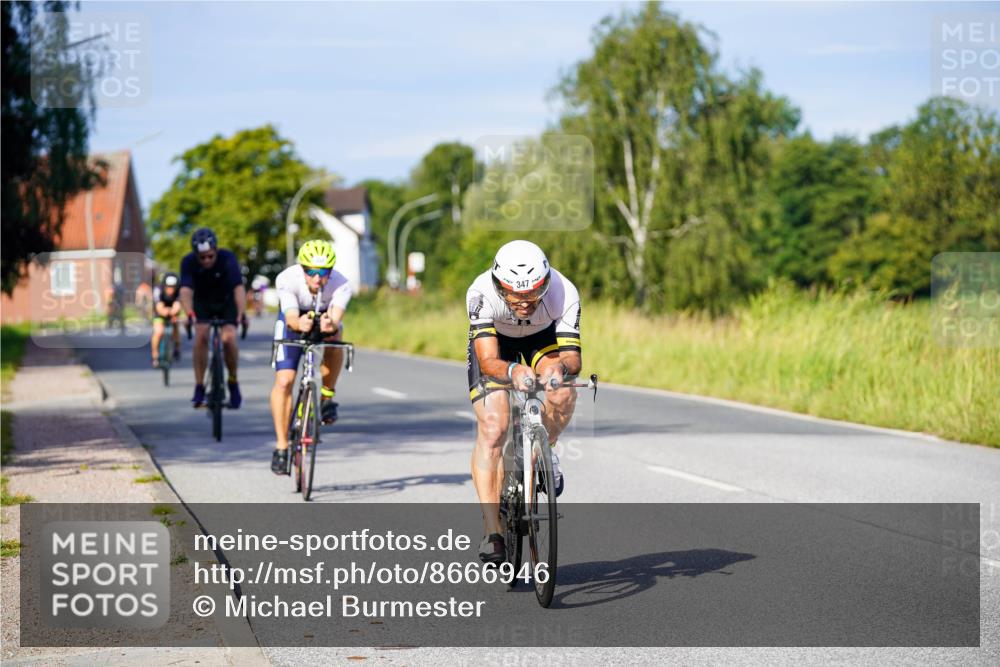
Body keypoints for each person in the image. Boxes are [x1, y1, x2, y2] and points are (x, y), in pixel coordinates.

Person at [465, 240, 583, 564]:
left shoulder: (564, 292)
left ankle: (546, 450)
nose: (526, 302)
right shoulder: (480, 294)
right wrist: (514, 371)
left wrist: (559, 371)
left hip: (542, 340)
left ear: (545, 282)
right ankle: (493, 532)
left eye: (534, 292)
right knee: (494, 426)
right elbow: (488, 361)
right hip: (497, 347)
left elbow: (572, 357)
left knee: (562, 391)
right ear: (499, 286)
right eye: (516, 294)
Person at [269, 240, 352, 475]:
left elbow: (336, 316)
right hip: (293, 318)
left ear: (331, 271)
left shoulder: (341, 283)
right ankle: (282, 446)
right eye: (311, 272)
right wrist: (299, 323)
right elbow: (292, 317)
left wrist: (330, 323)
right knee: (285, 380)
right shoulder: (287, 279)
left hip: (324, 316)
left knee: (337, 335)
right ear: (302, 269)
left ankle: (327, 396)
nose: (317, 278)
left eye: (323, 272)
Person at [178, 228, 246, 409]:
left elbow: (238, 288)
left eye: (210, 256)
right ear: (196, 255)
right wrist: (189, 313)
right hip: (203, 303)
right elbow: (185, 291)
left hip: (226, 302)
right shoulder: (188, 262)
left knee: (229, 339)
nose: (207, 260)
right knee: (200, 336)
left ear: (216, 250)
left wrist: (240, 313)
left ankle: (233, 382)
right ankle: (199, 386)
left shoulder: (227, 258)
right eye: (202, 258)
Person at [150, 272, 182, 367]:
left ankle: (176, 347)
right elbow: (159, 306)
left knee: (176, 325)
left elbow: (178, 305)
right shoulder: (158, 290)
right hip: (159, 312)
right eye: (168, 287)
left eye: (173, 287)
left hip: (173, 311)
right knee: (159, 332)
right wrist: (165, 311)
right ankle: (155, 355)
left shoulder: (179, 291)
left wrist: (172, 312)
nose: (170, 289)